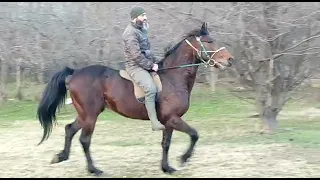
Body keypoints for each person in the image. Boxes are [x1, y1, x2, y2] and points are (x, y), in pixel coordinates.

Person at [122, 6, 165, 131]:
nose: (145, 18)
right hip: (135, 66)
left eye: (145, 15)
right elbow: (136, 55)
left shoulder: (142, 30)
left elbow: (146, 51)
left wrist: (156, 61)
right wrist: (151, 66)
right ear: (135, 18)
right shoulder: (130, 33)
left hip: (145, 62)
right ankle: (154, 122)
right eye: (142, 16)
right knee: (151, 89)